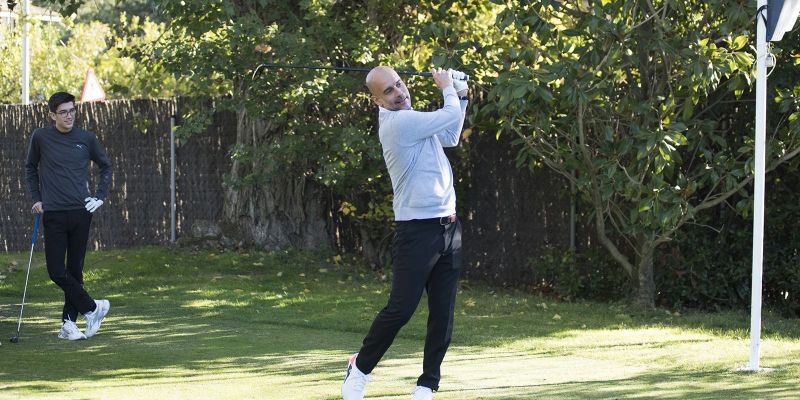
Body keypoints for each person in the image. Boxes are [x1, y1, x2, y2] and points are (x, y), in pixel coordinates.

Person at [342, 67, 468, 400]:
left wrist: (462, 93)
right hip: (417, 231)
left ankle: (427, 385)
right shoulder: (397, 125)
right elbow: (449, 113)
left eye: (399, 84)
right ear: (376, 100)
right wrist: (448, 87)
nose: (399, 92)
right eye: (388, 91)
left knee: (442, 314)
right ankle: (360, 370)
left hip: (449, 228)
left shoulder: (412, 118)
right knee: (401, 308)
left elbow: (451, 134)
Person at [25, 92, 112, 341]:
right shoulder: (41, 137)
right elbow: (30, 167)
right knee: (55, 270)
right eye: (63, 112)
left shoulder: (86, 138)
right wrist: (36, 198)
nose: (69, 116)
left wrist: (100, 196)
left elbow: (105, 166)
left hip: (81, 212)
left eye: (72, 110)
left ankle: (68, 324)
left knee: (75, 270)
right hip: (52, 212)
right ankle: (94, 308)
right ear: (52, 115)